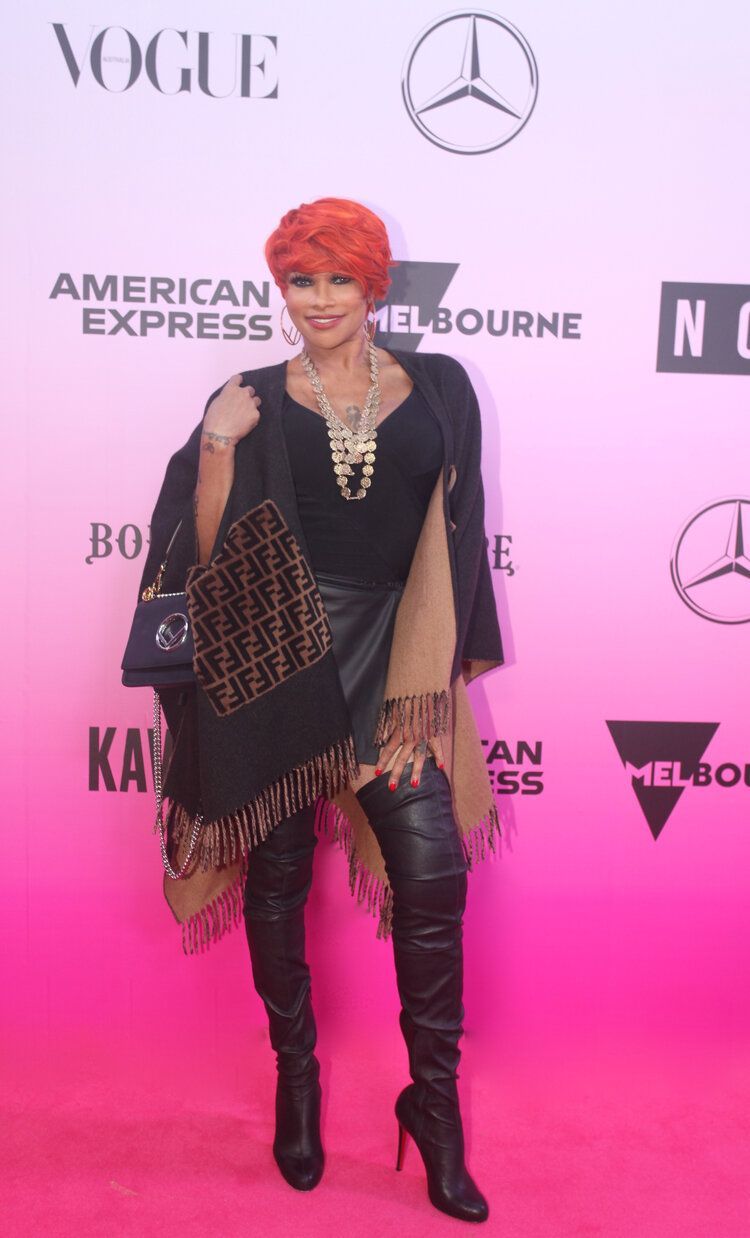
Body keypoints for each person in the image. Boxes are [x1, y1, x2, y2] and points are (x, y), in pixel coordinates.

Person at [137, 198, 504, 1223]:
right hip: (281, 667)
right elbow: (204, 549)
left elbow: (458, 536)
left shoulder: (440, 387)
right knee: (279, 879)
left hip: (395, 664)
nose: (322, 299)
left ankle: (433, 1109)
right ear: (282, 290)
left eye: (342, 277)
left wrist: (427, 688)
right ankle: (295, 1077)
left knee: (433, 879)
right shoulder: (247, 392)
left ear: (375, 284)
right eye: (303, 279)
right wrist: (217, 446)